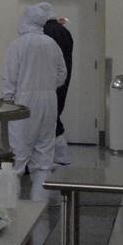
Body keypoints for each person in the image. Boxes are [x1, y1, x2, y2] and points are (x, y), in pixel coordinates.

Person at [2, 2, 68, 202]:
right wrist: (46, 86)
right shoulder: (52, 44)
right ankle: (38, 208)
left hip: (23, 104)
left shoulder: (18, 45)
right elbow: (62, 74)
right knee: (43, 160)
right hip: (49, 102)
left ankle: (9, 206)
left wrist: (7, 102)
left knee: (16, 159)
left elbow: (9, 77)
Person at [43, 15, 74, 166]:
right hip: (56, 88)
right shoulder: (63, 32)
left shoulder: (46, 34)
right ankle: (60, 158)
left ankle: (58, 158)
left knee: (48, 120)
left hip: (45, 89)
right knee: (52, 118)